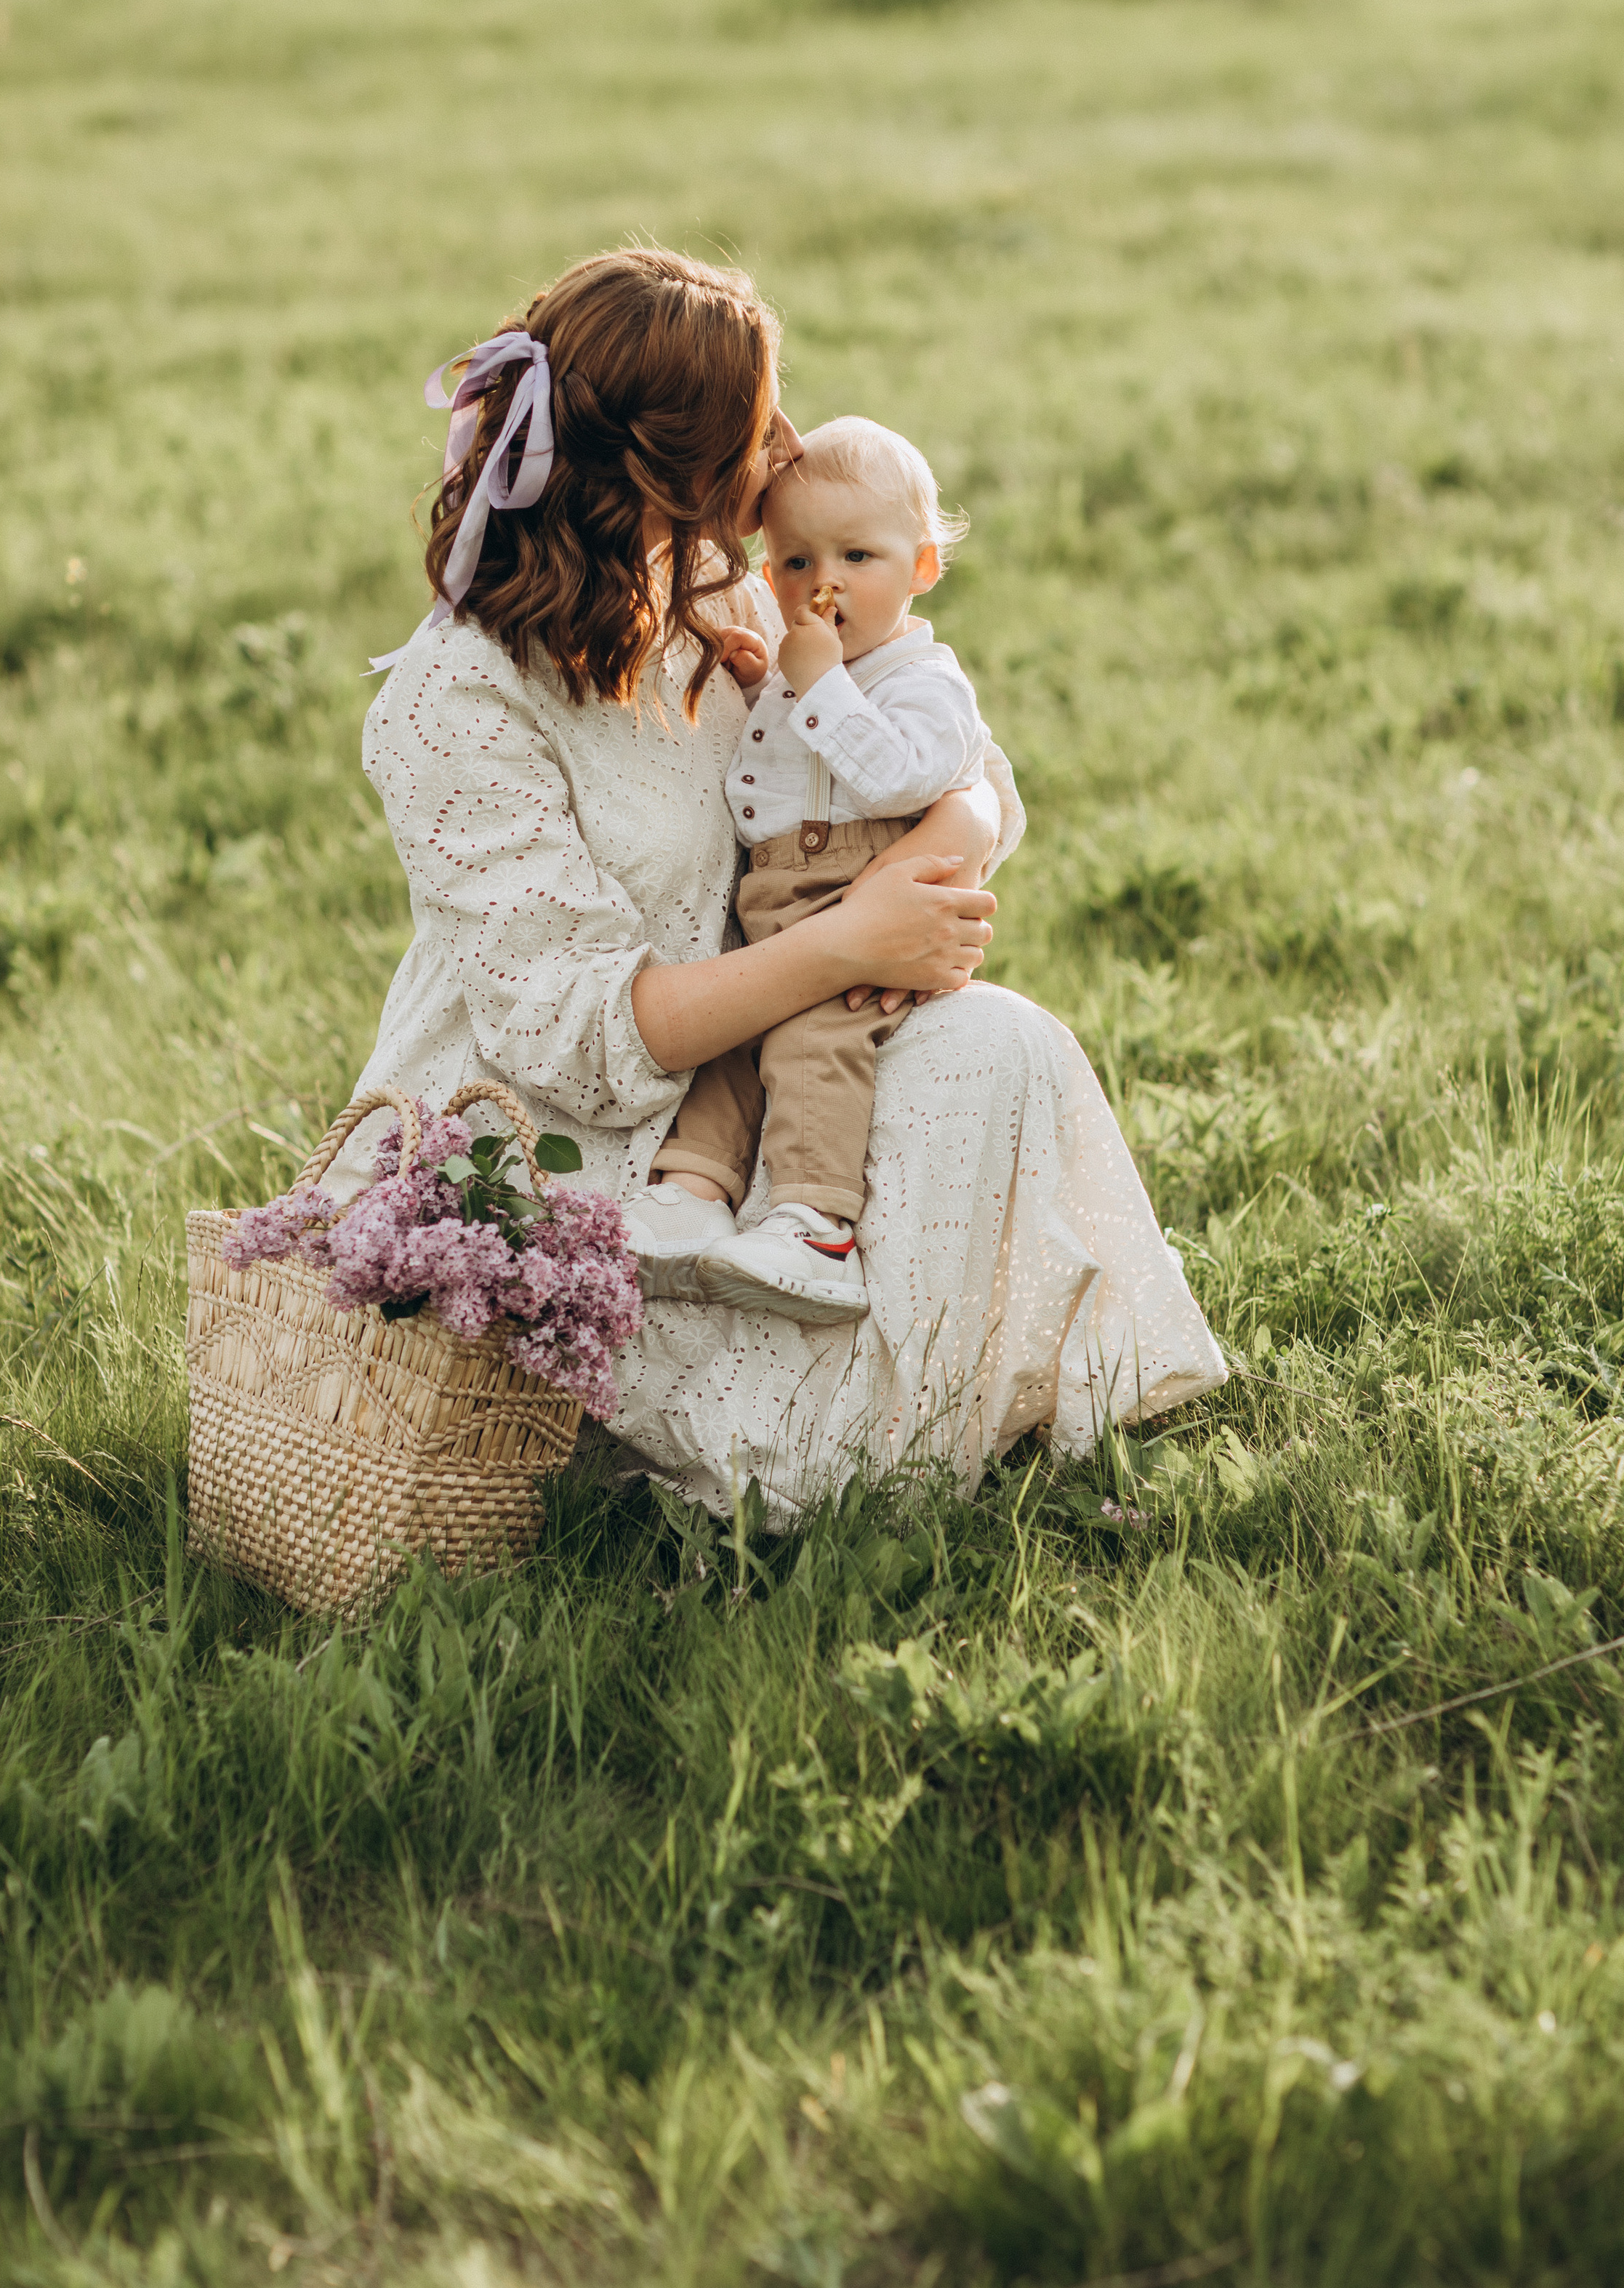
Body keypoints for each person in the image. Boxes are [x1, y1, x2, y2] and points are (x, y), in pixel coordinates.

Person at [341, 245, 1226, 1522]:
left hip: (763, 1072)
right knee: (811, 1471)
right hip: (570, 1154)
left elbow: (958, 769)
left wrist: (929, 865)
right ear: (672, 470)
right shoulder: (457, 699)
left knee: (1002, 1044)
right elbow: (579, 1043)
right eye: (764, 424)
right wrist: (852, 938)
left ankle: (938, 1403)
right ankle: (775, 1446)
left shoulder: (714, 587)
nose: (795, 444)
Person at [635, 417, 998, 1326]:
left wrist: (820, 685)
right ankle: (690, 1193)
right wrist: (768, 685)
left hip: (854, 888)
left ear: (921, 568)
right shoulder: (814, 662)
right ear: (769, 574)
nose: (824, 581)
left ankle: (814, 1223)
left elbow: (900, 776)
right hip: (770, 893)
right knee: (731, 1043)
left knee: (811, 1048)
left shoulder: (925, 679)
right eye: (796, 563)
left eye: (858, 557)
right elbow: (797, 765)